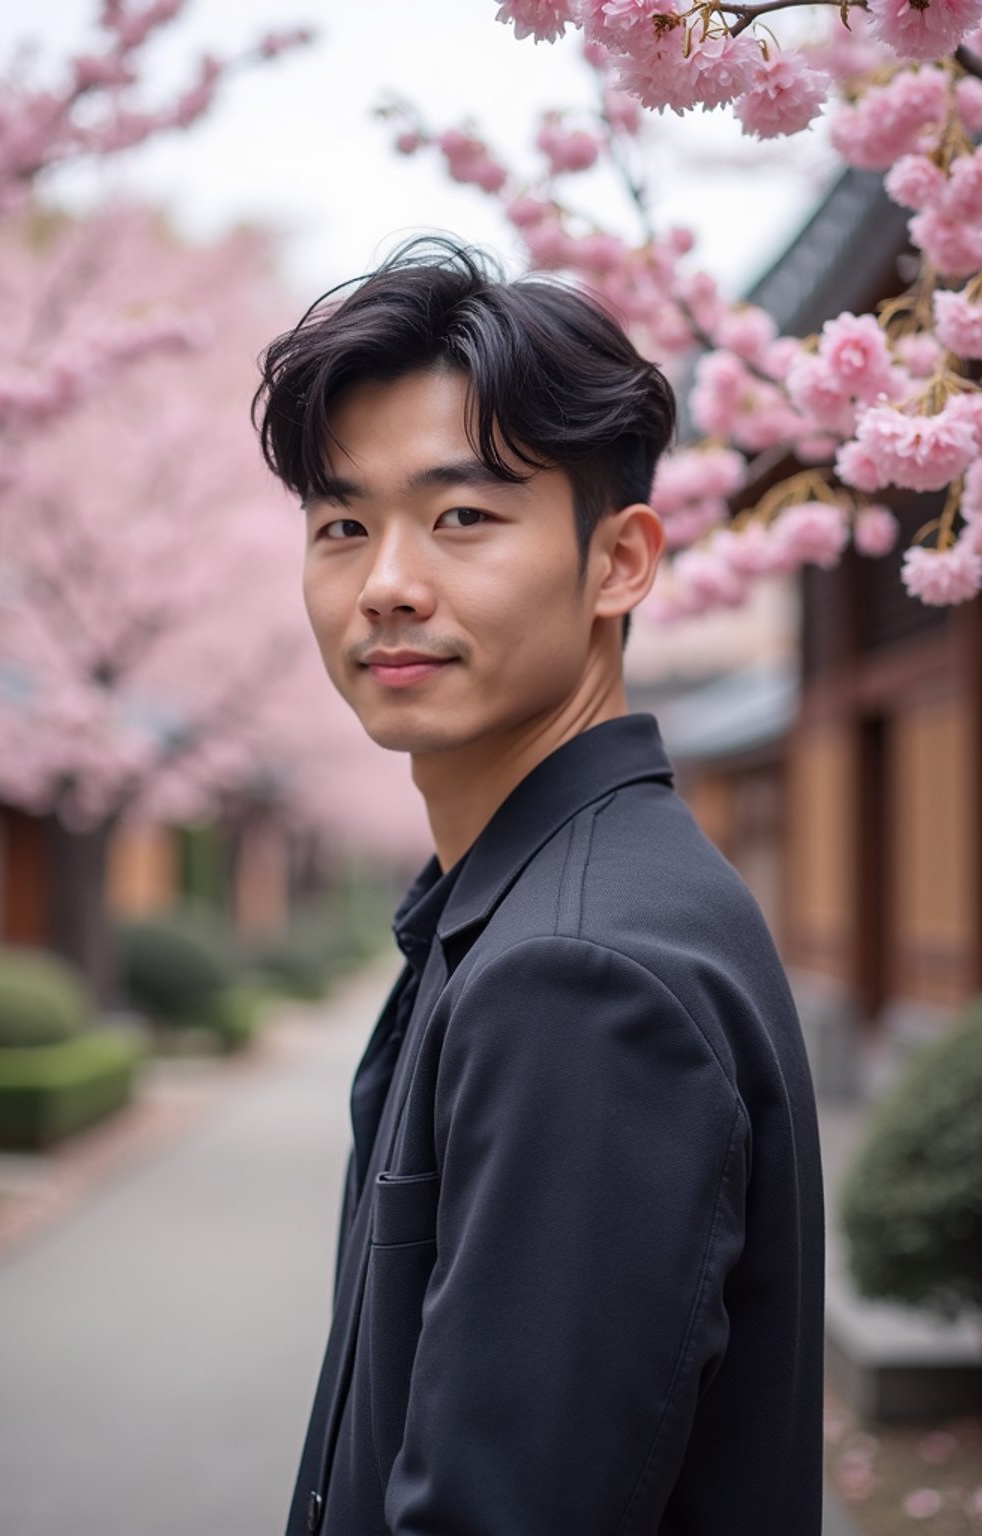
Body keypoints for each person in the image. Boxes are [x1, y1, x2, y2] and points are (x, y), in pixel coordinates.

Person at [253, 237, 824, 1536]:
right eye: (344, 525)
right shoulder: (534, 904)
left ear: (620, 562)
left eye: (462, 517)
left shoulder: (580, 973)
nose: (388, 583)